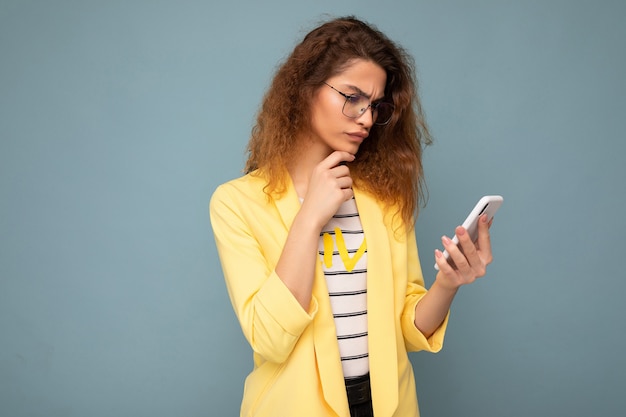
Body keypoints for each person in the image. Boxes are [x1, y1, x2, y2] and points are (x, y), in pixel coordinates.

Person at [210, 16, 494, 417]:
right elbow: (269, 338)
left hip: (389, 406)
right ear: (305, 89)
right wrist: (310, 218)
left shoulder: (383, 197)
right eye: (351, 97)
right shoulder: (236, 202)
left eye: (374, 106)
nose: (365, 118)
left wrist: (448, 284)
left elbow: (408, 331)